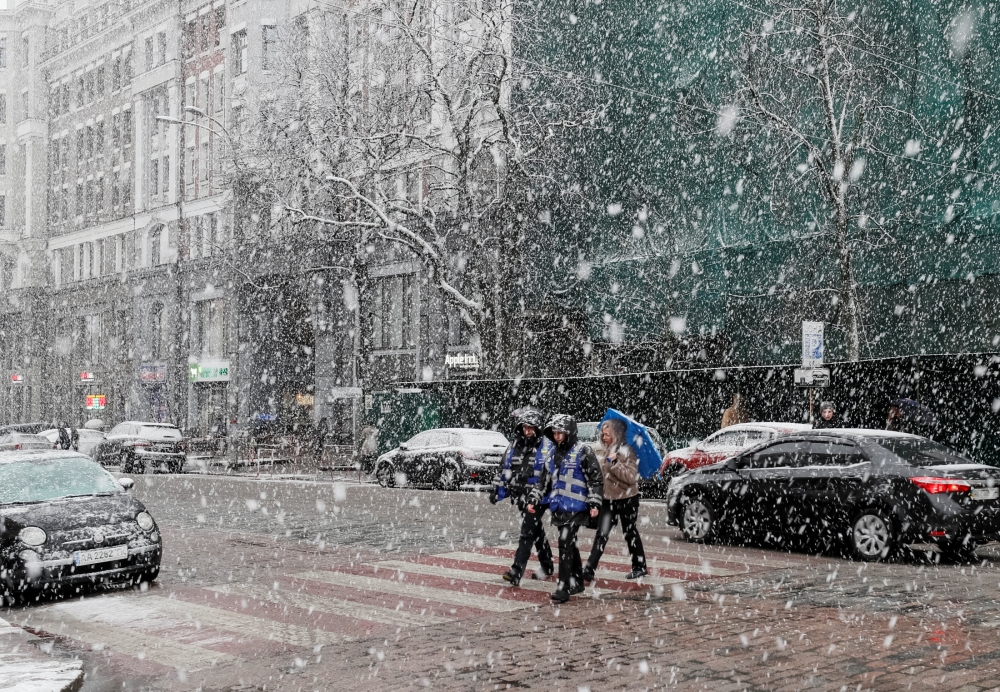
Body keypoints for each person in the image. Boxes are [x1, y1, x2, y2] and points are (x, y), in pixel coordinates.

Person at [527, 414, 603, 604]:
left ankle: (563, 587)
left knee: (565, 542)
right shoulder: (551, 454)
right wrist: (534, 498)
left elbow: (595, 479)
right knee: (569, 543)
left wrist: (594, 503)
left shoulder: (583, 450)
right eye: (554, 433)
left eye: (560, 433)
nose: (557, 436)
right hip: (559, 506)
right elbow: (543, 481)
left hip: (577, 507)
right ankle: (577, 581)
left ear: (569, 432)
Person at [489, 406, 554, 586]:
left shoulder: (547, 447)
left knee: (527, 533)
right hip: (520, 496)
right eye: (525, 427)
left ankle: (516, 571)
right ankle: (547, 565)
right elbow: (504, 470)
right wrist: (497, 490)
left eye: (531, 428)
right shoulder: (514, 446)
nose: (527, 431)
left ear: (538, 428)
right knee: (536, 532)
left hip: (537, 497)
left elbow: (551, 472)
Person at [583, 419, 647, 582]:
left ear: (617, 434)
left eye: (607, 434)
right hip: (608, 500)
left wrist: (615, 463)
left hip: (627, 499)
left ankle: (639, 567)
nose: (604, 437)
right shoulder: (605, 450)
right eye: (603, 434)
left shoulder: (628, 451)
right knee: (601, 534)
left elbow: (631, 477)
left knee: (629, 532)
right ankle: (589, 569)